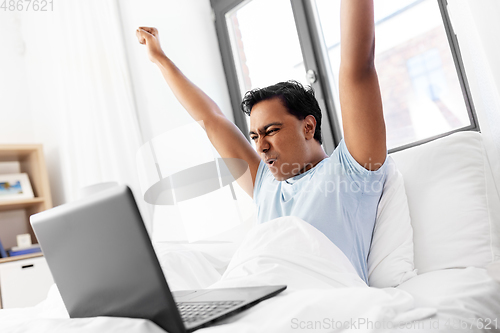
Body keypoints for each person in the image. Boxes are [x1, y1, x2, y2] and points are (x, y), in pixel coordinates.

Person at [136, 0, 387, 284]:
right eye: (255, 136)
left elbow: (358, 68)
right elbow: (211, 119)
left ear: (308, 126)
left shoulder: (351, 172)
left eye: (271, 130)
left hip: (319, 297)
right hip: (257, 293)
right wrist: (159, 59)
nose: (260, 145)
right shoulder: (266, 185)